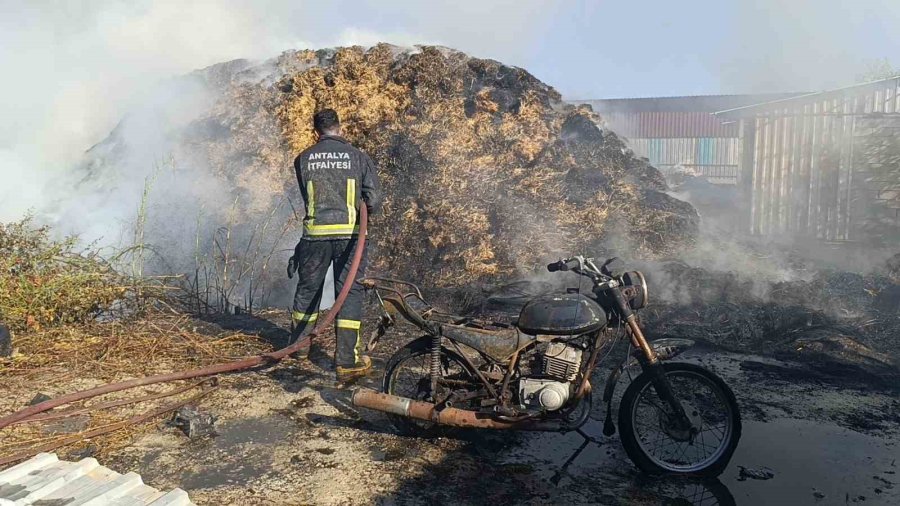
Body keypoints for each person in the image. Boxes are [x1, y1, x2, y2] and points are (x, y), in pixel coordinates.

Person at [286, 108, 380, 381]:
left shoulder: (303, 159)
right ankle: (347, 360)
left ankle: (300, 348)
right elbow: (373, 199)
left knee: (308, 290)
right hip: (351, 237)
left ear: (315, 132)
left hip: (315, 236)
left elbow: (307, 196)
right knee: (349, 292)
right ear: (340, 128)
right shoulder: (358, 157)